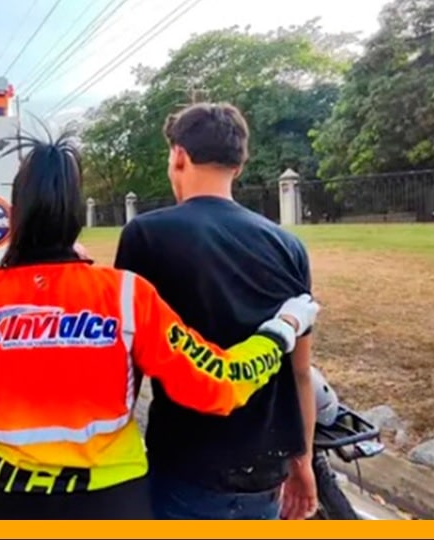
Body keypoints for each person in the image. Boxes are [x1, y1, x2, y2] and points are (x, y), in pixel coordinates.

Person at [0, 133, 320, 520]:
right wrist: (281, 328)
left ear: (16, 213)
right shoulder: (126, 295)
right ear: (75, 214)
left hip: (6, 504)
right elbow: (219, 384)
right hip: (112, 505)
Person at [114, 103, 318, 520]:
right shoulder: (289, 246)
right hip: (265, 473)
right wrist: (303, 462)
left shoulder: (147, 235)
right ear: (239, 166)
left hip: (185, 467)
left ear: (179, 156)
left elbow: (125, 366)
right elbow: (299, 371)